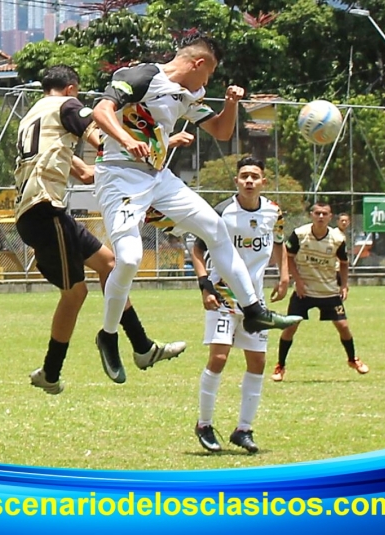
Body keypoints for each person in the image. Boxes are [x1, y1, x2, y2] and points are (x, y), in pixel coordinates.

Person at [91, 32, 301, 384]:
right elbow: (101, 110)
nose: (209, 83)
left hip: (159, 177)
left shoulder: (190, 95)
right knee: (127, 259)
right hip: (118, 177)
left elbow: (220, 130)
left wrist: (231, 103)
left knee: (215, 228)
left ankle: (253, 310)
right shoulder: (141, 76)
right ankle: (108, 336)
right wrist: (127, 141)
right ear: (197, 64)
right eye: (209, 74)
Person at [13, 65, 186, 395]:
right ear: (71, 88)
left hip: (42, 210)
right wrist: (153, 142)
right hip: (44, 211)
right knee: (75, 293)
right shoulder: (67, 106)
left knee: (109, 265)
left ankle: (142, 347)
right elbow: (98, 132)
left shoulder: (34, 117)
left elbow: (88, 173)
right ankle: (50, 372)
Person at [191, 157, 290, 454]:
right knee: (219, 358)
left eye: (254, 176)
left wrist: (284, 275)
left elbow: (279, 241)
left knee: (257, 363)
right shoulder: (222, 211)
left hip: (255, 302)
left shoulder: (273, 212)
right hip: (223, 296)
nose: (249, 180)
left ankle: (243, 429)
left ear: (263, 181)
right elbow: (197, 248)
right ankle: (204, 424)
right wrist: (204, 286)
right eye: (244, 175)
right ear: (236, 181)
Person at [270, 202, 369, 382]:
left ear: (330, 217)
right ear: (311, 215)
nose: (321, 217)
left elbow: (344, 263)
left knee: (343, 326)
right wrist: (298, 282)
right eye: (317, 213)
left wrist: (344, 285)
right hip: (304, 292)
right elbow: (289, 257)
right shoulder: (300, 234)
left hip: (328, 291)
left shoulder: (337, 239)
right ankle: (280, 366)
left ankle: (353, 359)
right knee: (290, 326)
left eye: (325, 214)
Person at [334, 212, 351, 287]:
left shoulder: (343, 234)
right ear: (337, 222)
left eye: (346, 221)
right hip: (335, 268)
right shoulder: (335, 234)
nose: (344, 223)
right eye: (342, 221)